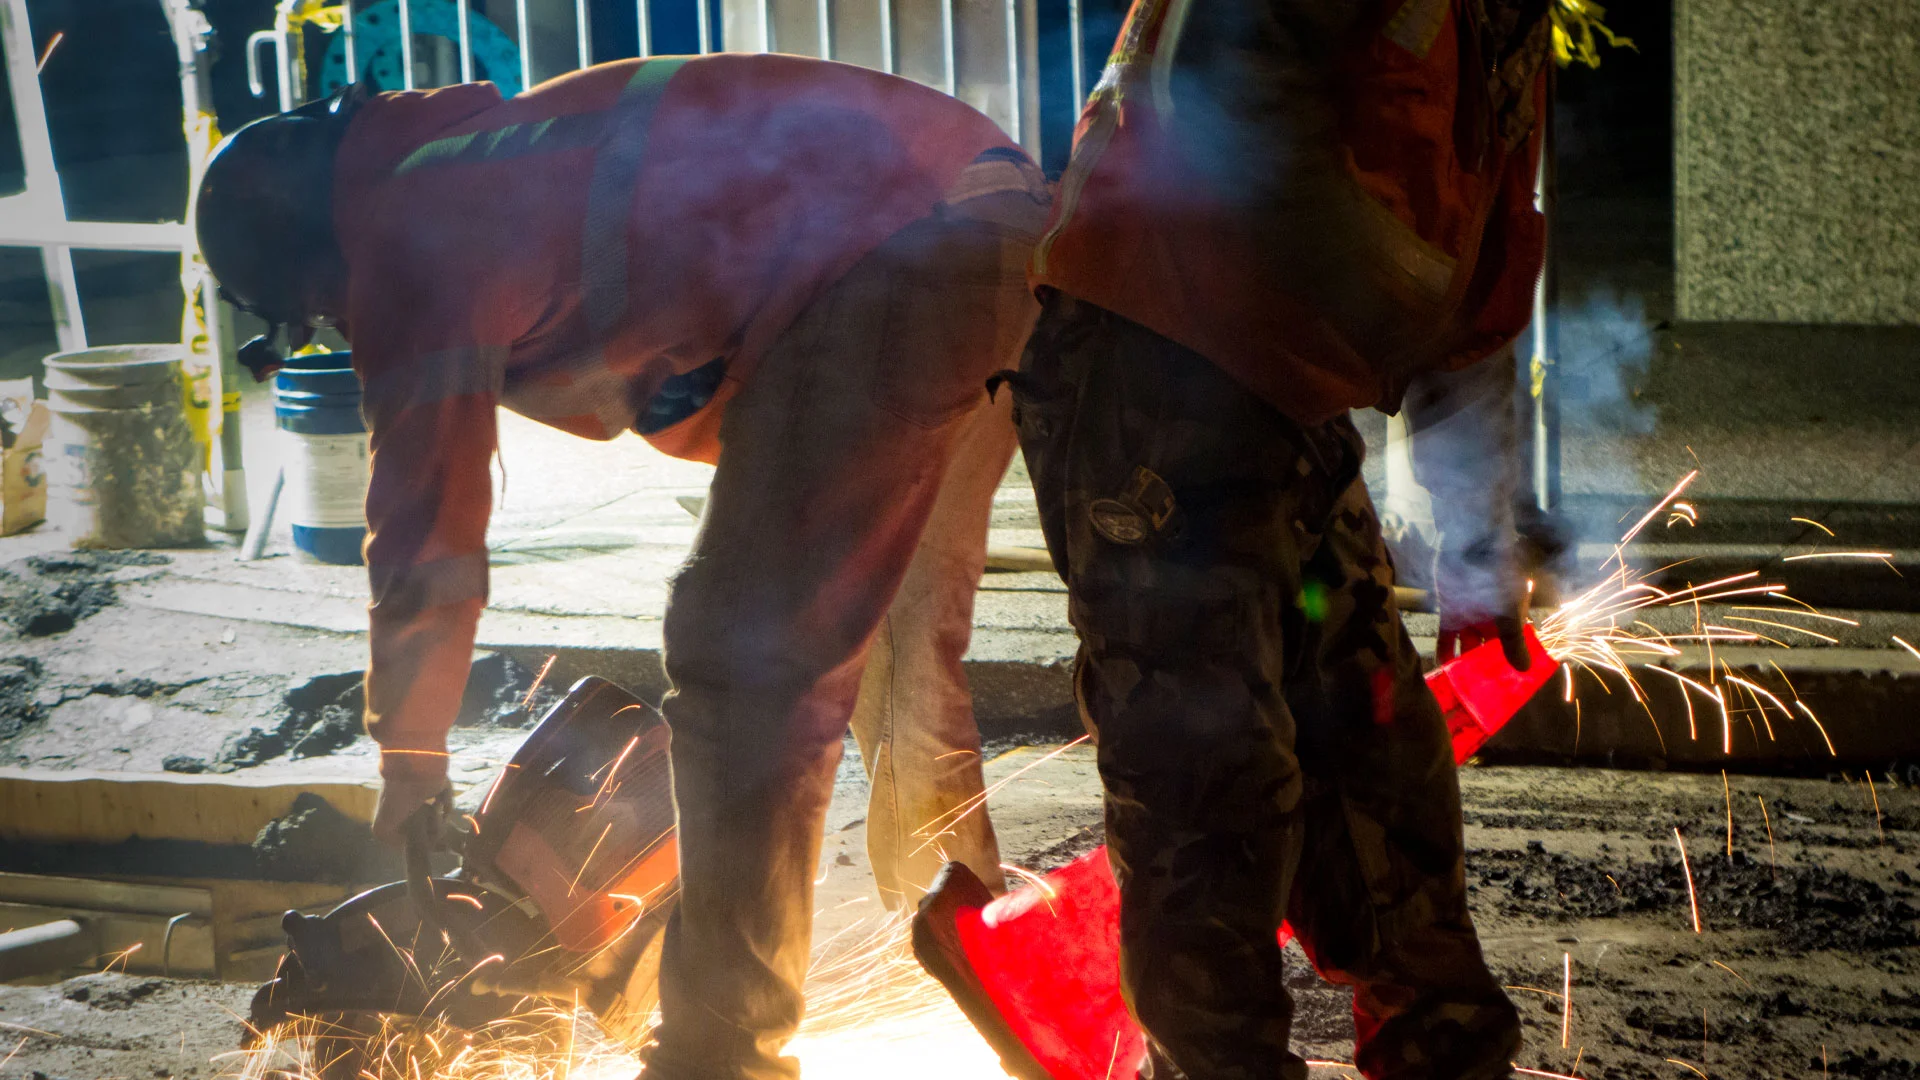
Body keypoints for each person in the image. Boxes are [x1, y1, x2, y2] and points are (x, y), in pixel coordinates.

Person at [193, 53, 1049, 1080]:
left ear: (314, 255)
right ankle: (999, 990)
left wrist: (411, 760)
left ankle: (717, 1058)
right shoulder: (482, 156)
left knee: (742, 661)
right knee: (897, 655)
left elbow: (426, 528)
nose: (344, 326)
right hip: (989, 221)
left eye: (325, 310)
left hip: (900, 252)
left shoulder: (407, 234)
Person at [1004, 0, 1551, 1077]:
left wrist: (1479, 557)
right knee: (1215, 787)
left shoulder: (1500, 22)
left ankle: (1446, 1054)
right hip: (1156, 368)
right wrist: (1379, 309)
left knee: (1380, 756)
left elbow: (1473, 281)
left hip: (1289, 402)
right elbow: (1220, 95)